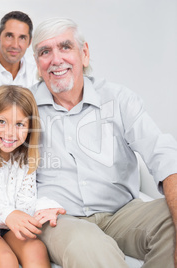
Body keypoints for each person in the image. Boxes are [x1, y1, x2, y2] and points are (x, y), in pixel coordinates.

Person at [31, 17, 177, 267]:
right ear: (37, 63)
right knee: (88, 245)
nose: (56, 59)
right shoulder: (24, 106)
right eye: (45, 52)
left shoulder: (119, 98)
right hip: (61, 220)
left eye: (65, 47)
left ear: (84, 53)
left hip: (122, 213)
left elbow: (163, 154)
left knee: (171, 219)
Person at [0, 85, 65, 268]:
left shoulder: (26, 160)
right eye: (1, 122)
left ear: (30, 127)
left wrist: (48, 206)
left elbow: (26, 204)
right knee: (4, 259)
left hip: (13, 227)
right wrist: (9, 215)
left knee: (36, 249)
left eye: (19, 124)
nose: (9, 132)